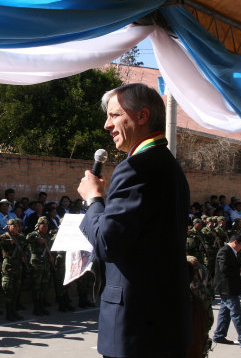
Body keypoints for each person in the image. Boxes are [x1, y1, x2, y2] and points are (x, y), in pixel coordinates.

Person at [77, 83, 192, 357]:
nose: (107, 125)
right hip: (163, 321)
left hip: (137, 327)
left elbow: (107, 243)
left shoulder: (136, 168)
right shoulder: (167, 164)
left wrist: (93, 200)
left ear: (142, 116)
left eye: (115, 115)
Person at [213, 233, 241, 349]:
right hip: (227, 288)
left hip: (230, 287)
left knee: (225, 312)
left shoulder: (231, 252)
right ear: (235, 242)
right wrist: (239, 270)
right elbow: (224, 269)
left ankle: (219, 335)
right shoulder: (224, 251)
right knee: (237, 314)